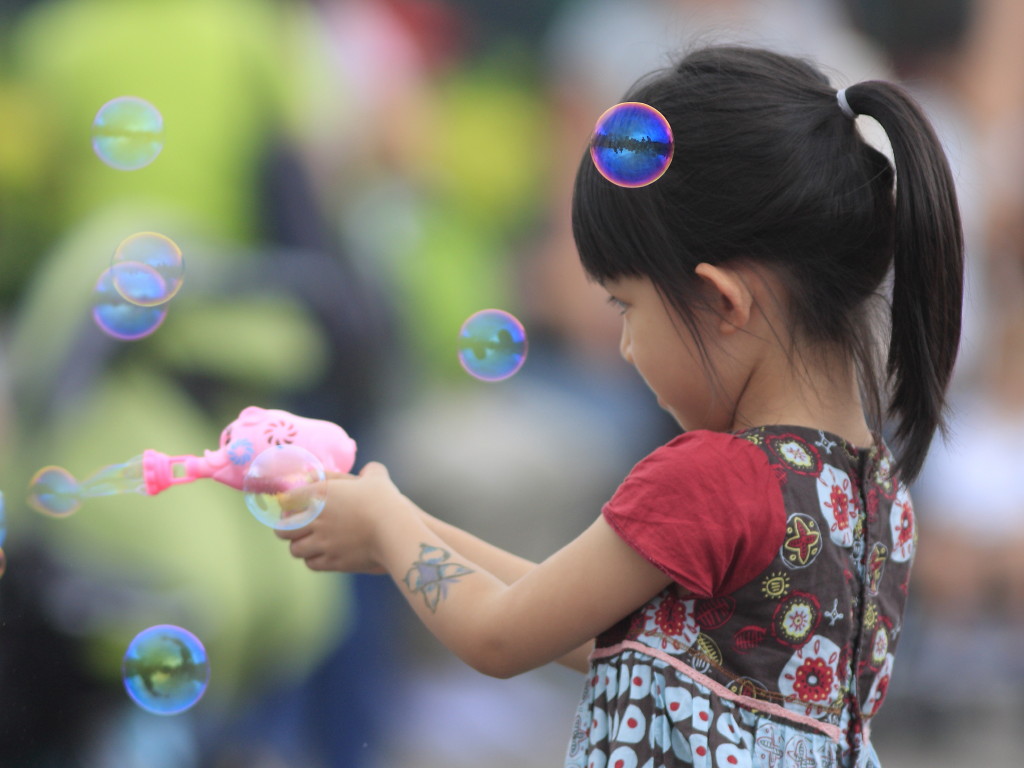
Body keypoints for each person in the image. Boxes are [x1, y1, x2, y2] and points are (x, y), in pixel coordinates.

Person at [276, 44, 963, 767]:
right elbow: (588, 621)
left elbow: (501, 636)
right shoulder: (875, 493)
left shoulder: (713, 478)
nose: (627, 345)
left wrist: (388, 527)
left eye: (626, 305)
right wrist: (407, 531)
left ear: (720, 299)